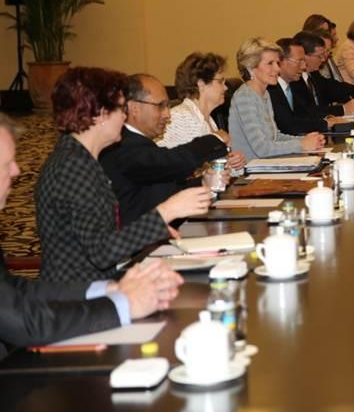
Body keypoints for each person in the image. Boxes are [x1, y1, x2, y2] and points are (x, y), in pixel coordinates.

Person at [0, 114, 183, 357]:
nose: (17, 170)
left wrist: (110, 290)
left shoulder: (85, 160)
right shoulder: (71, 164)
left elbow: (16, 290)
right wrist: (123, 303)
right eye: (6, 164)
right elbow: (27, 322)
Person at [35, 68, 212, 283]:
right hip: (79, 297)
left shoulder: (83, 159)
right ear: (99, 114)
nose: (125, 116)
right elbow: (101, 252)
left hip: (100, 284)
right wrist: (166, 212)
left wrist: (153, 230)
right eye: (120, 108)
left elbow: (102, 238)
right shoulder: (72, 167)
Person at [100, 73, 230, 225]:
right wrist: (215, 140)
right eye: (160, 106)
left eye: (168, 106)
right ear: (134, 108)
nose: (168, 114)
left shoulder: (140, 142)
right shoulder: (122, 144)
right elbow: (170, 161)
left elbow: (163, 190)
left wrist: (203, 183)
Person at [228, 37, 325, 160]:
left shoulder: (265, 93)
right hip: (250, 173)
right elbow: (261, 148)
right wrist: (300, 144)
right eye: (270, 63)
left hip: (267, 166)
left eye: (277, 63)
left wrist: (306, 140)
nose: (277, 69)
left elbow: (275, 137)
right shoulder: (245, 97)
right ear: (251, 68)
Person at [158, 53, 246, 174]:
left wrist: (235, 163)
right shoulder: (180, 117)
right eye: (220, 81)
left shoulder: (208, 120)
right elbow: (187, 169)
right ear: (201, 84)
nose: (225, 88)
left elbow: (214, 168)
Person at [268, 37, 351, 135]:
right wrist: (325, 123)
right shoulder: (271, 89)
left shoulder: (292, 85)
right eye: (299, 61)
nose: (303, 67)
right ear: (281, 62)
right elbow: (287, 125)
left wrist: (329, 119)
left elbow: (305, 113)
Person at [292, 31, 354, 116]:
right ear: (305, 56)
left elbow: (337, 89)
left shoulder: (313, 74)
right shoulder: (294, 80)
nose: (323, 59)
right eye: (319, 56)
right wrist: (343, 109)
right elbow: (307, 111)